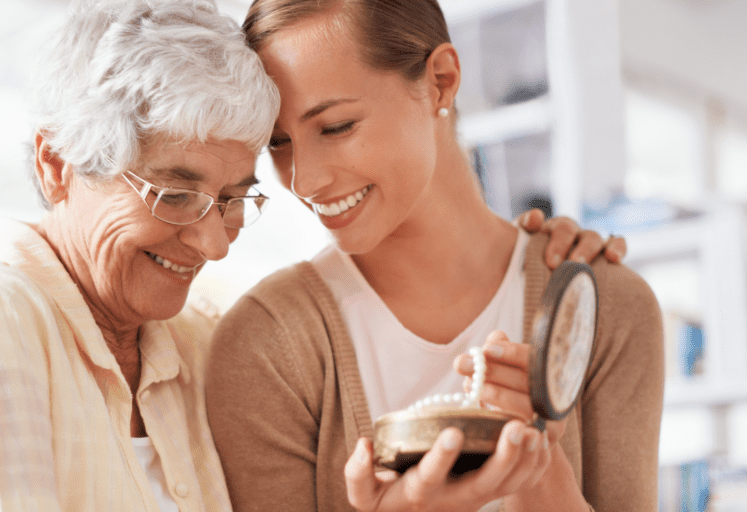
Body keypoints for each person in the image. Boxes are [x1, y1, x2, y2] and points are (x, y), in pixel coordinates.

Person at [205, 0, 663, 511]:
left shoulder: (604, 310)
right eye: (279, 142)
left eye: (335, 127)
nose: (304, 180)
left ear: (440, 81)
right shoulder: (265, 346)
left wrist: (537, 464)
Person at [0, 0, 281, 509]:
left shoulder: (200, 345)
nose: (215, 245)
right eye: (173, 196)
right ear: (57, 166)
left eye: (232, 201)